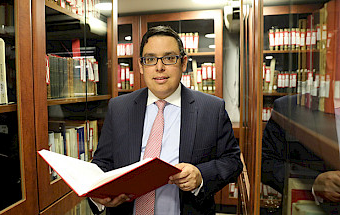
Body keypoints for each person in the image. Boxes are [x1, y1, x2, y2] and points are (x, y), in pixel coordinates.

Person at [89, 25, 243, 215]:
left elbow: (233, 161)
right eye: (150, 59)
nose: (159, 67)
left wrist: (201, 176)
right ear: (140, 66)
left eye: (169, 58)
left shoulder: (211, 109)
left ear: (183, 62)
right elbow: (102, 162)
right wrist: (97, 192)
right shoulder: (119, 108)